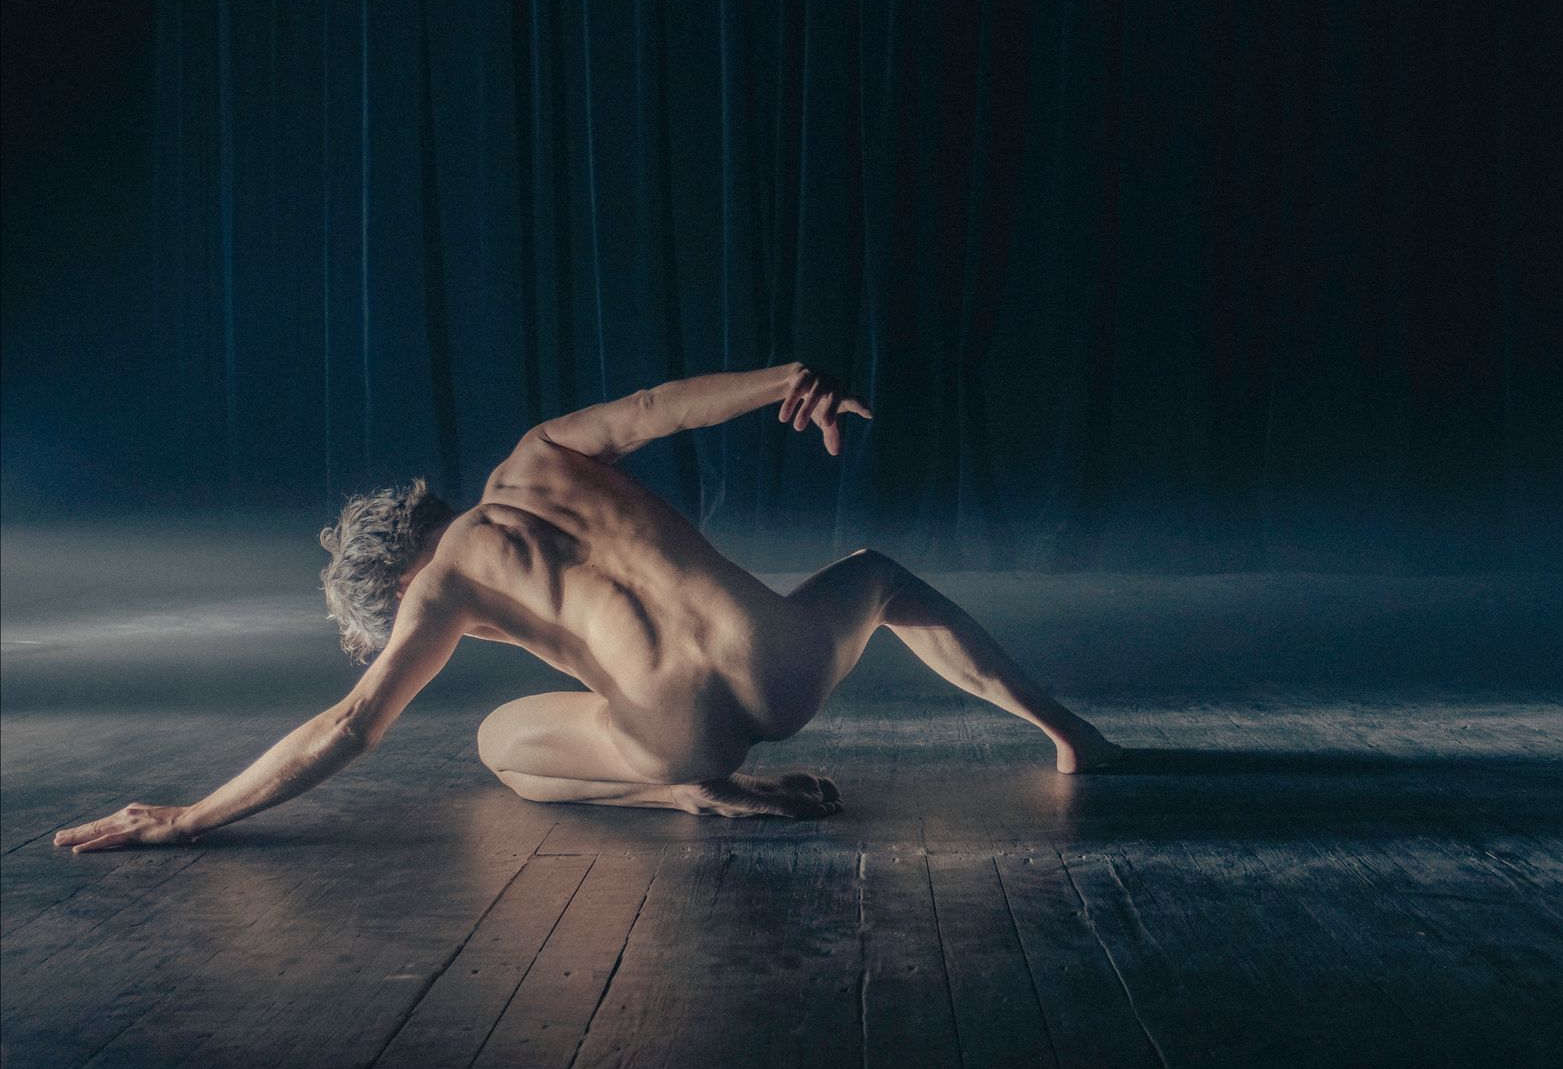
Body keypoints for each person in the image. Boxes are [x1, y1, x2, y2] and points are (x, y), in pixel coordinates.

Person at [52, 363, 1121, 851]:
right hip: (782, 657)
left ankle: (689, 797)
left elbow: (352, 724)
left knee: (495, 744)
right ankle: (1066, 733)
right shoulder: (540, 453)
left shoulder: (448, 584)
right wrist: (788, 382)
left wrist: (189, 816)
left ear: (395, 574)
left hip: (676, 731)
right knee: (879, 572)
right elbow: (658, 409)